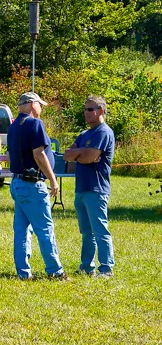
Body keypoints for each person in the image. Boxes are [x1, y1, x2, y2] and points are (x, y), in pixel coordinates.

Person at [7, 92, 67, 281]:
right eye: (40, 105)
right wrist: (53, 179)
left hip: (17, 182)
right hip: (32, 184)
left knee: (22, 230)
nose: (41, 108)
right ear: (33, 104)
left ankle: (23, 272)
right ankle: (55, 271)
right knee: (44, 229)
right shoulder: (35, 124)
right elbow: (39, 154)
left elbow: (10, 155)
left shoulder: (13, 125)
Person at [64, 95, 115, 277]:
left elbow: (88, 158)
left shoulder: (103, 132)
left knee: (100, 230)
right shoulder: (84, 134)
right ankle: (87, 267)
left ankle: (106, 268)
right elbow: (67, 155)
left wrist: (81, 154)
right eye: (85, 109)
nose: (86, 113)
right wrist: (81, 152)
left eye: (90, 109)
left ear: (101, 111)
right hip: (81, 188)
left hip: (96, 188)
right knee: (86, 231)